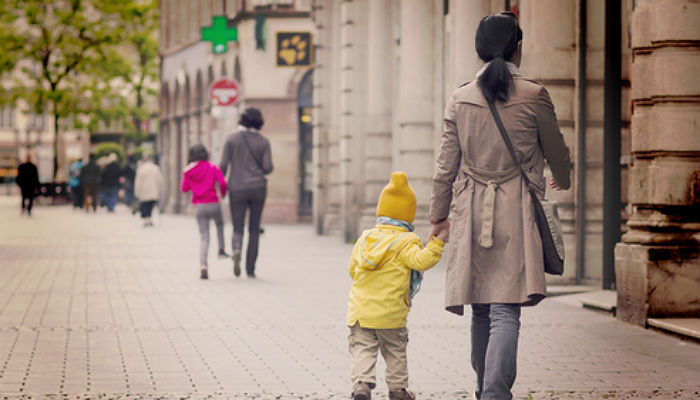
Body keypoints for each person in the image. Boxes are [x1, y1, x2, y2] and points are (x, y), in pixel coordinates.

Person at [429, 13, 571, 400]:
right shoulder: (534, 94)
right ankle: (494, 392)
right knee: (506, 309)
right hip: (517, 207)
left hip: (470, 208)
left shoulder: (460, 98)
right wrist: (564, 175)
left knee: (480, 307)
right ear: (517, 48)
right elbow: (555, 148)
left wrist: (438, 215)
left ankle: (483, 391)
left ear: (478, 49)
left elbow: (445, 165)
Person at [347, 172, 447, 400]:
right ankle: (398, 389)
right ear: (408, 215)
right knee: (395, 351)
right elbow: (421, 261)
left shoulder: (365, 238)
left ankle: (361, 385)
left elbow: (352, 270)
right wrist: (438, 243)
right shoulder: (406, 241)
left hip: (360, 312)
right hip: (391, 313)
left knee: (362, 348)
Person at [219, 107, 273, 278]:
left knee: (237, 226)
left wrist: (223, 187)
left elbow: (222, 166)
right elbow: (268, 167)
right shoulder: (263, 142)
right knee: (254, 229)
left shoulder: (231, 139)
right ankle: (250, 269)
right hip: (258, 188)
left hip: (237, 188)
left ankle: (236, 250)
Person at [181, 144, 229, 280]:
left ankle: (203, 265)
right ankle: (221, 250)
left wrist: (194, 187)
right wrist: (222, 194)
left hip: (199, 205)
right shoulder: (212, 167)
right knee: (219, 224)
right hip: (213, 202)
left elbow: (184, 189)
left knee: (204, 236)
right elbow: (223, 183)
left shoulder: (188, 171)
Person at [134, 152, 162, 227]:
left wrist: (137, 192)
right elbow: (159, 180)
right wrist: (158, 190)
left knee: (144, 205)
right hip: (153, 190)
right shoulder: (155, 168)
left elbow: (138, 182)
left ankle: (146, 220)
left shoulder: (141, 169)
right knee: (150, 205)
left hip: (144, 190)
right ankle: (149, 219)